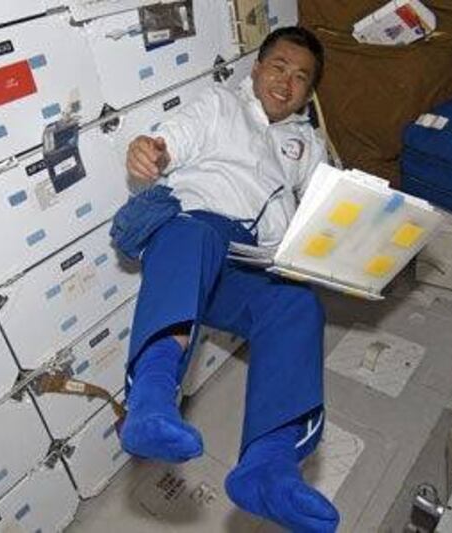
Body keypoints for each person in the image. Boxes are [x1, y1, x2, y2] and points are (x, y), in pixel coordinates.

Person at [116, 27, 339, 532]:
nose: (286, 82)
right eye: (279, 67)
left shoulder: (307, 143)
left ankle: (270, 465)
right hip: (197, 243)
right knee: (192, 233)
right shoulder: (220, 105)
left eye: (301, 78)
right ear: (256, 68)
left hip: (254, 264)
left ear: (308, 93)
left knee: (298, 304)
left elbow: (324, 209)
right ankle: (150, 400)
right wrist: (148, 151)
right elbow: (169, 143)